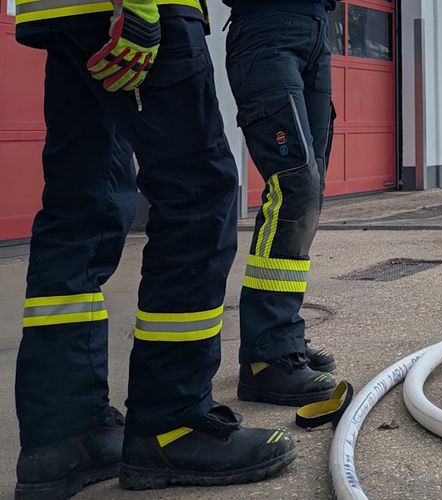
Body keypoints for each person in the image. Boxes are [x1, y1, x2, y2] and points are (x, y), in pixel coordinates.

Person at [13, 0, 295, 496]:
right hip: (133, 10)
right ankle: (172, 422)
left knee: (82, 204)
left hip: (61, 13)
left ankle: (62, 435)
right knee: (198, 192)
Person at [222, 0, 341, 407]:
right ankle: (265, 359)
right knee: (295, 186)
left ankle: (278, 336)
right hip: (266, 27)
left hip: (316, 29)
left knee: (311, 189)